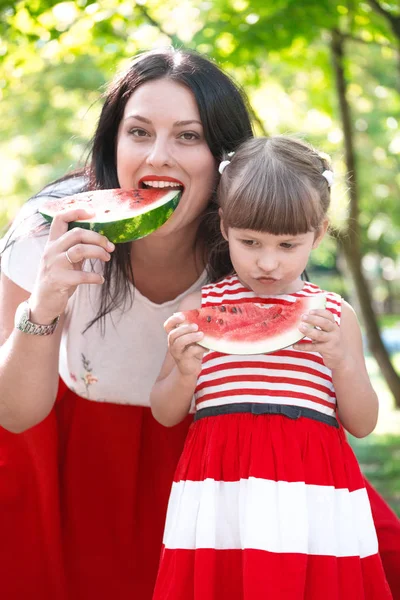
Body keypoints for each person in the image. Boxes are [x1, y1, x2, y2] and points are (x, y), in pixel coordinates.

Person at [0, 48, 399, 600]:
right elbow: (15, 416)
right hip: (67, 447)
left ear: (224, 157)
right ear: (112, 141)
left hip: (214, 454)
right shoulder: (51, 230)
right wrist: (42, 306)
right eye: (138, 132)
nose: (158, 157)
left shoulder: (250, 238)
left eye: (188, 136)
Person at [150, 136, 393, 599]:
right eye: (250, 242)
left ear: (318, 235)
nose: (267, 262)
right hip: (221, 491)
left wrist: (340, 360)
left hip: (310, 492)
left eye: (287, 244)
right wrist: (184, 374)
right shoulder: (199, 306)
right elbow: (164, 412)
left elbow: (363, 423)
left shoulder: (334, 315)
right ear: (224, 227)